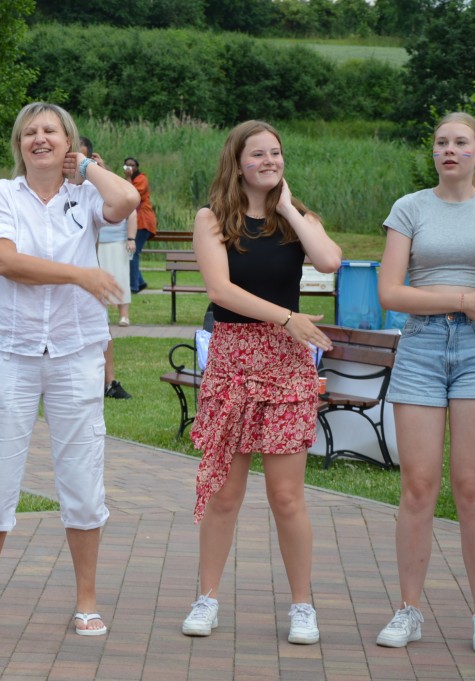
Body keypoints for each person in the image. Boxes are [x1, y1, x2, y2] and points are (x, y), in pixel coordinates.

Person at [0, 102, 139, 635]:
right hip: (11, 351)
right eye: (29, 132)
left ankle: (86, 601)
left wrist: (87, 170)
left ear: (68, 142)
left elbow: (126, 199)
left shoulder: (86, 194)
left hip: (76, 351)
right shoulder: (0, 194)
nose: (39, 139)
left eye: (50, 132)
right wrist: (80, 275)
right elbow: (5, 261)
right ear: (18, 145)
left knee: (82, 475)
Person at [375, 112, 475, 654]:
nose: (449, 150)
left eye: (460, 143)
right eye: (442, 142)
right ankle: (408, 610)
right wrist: (459, 300)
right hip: (420, 347)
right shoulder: (410, 207)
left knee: (471, 489)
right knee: (418, 487)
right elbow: (391, 294)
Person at [182, 121, 341, 644]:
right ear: (237, 161)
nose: (269, 161)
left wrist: (291, 208)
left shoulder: (297, 218)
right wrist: (286, 318)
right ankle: (206, 599)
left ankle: (302, 606)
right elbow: (220, 290)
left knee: (287, 496)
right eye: (258, 154)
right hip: (233, 360)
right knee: (225, 493)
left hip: (288, 368)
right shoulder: (213, 219)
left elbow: (329, 261)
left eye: (277, 153)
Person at [79, 136, 134, 400]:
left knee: (101, 325)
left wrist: (93, 170)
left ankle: (109, 381)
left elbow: (127, 198)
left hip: (92, 267)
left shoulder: (92, 189)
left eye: (80, 159)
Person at [123, 156, 157, 293]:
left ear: (137, 167)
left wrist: (128, 177)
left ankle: (133, 286)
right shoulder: (130, 179)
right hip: (137, 221)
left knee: (133, 252)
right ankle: (140, 282)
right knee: (132, 253)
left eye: (132, 165)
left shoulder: (141, 179)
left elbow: (131, 195)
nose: (129, 168)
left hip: (143, 221)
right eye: (126, 165)